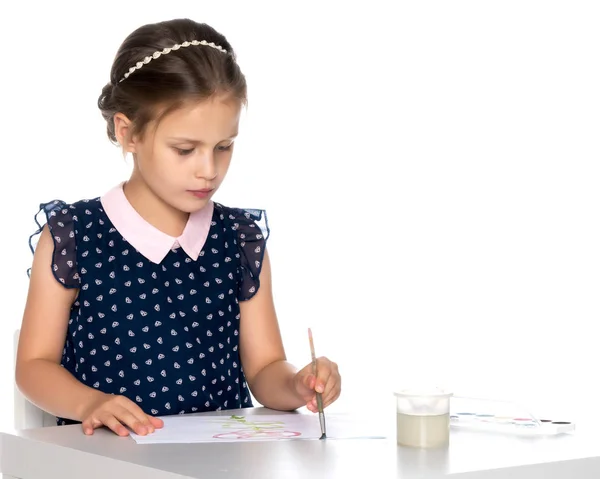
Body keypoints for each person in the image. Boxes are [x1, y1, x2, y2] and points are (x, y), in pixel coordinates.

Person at [16, 18, 341, 437]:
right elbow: (33, 366)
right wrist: (90, 403)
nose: (209, 170)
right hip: (111, 460)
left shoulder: (239, 238)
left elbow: (263, 368)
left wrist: (298, 384)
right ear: (127, 131)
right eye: (185, 150)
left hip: (220, 459)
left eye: (223, 147)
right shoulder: (74, 236)